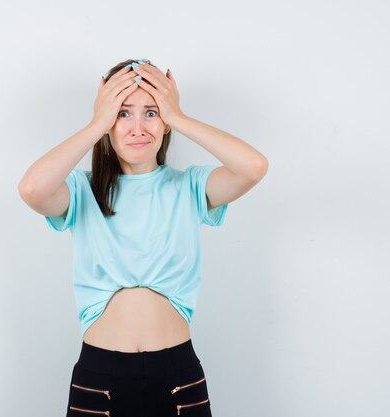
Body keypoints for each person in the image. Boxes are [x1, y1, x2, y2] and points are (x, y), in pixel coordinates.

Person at [18, 58, 268, 417]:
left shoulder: (191, 186)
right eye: (123, 113)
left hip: (177, 375)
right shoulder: (82, 190)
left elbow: (254, 166)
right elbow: (31, 189)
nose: (138, 127)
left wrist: (177, 116)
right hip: (99, 377)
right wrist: (95, 124)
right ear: (108, 121)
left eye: (151, 112)